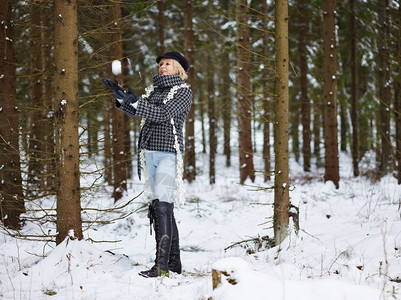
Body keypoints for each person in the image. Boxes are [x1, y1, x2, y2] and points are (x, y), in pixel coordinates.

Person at [102, 51, 192, 278]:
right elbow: (136, 111)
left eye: (167, 64)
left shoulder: (182, 92)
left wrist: (137, 101)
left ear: (179, 69)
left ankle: (161, 266)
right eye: (161, 63)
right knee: (161, 209)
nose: (162, 67)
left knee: (163, 206)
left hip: (167, 154)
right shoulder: (154, 91)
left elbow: (162, 114)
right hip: (149, 154)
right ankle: (173, 263)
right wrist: (121, 97)